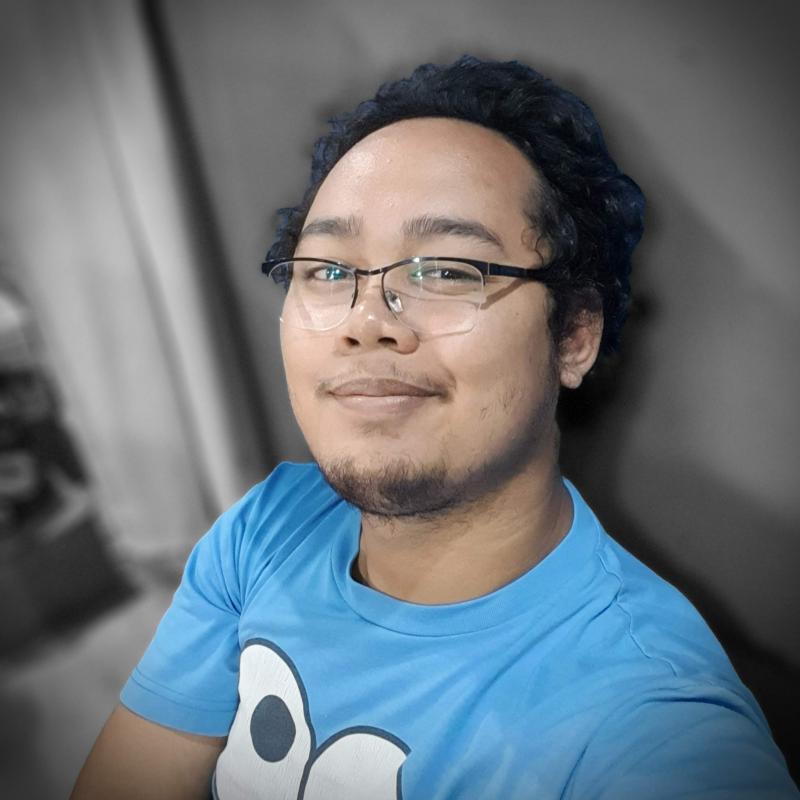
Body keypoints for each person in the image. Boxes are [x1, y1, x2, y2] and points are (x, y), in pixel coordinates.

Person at [71, 56, 798, 799]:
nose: (366, 322)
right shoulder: (267, 526)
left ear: (574, 335)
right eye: (327, 270)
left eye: (447, 270)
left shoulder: (652, 727)